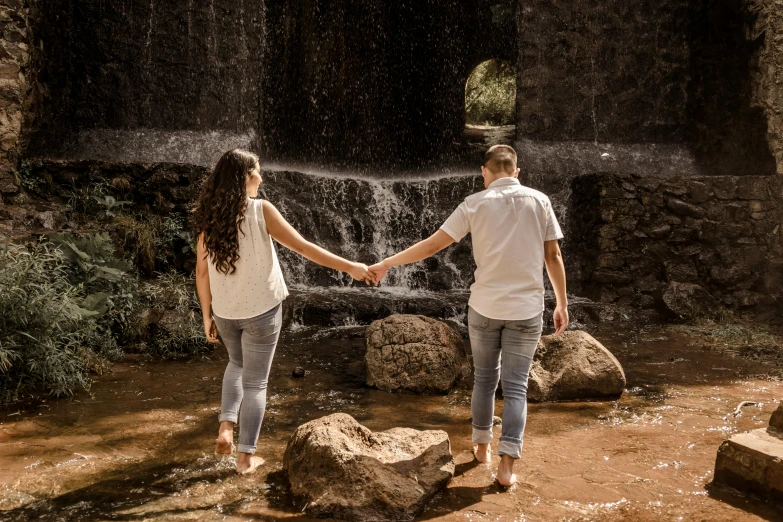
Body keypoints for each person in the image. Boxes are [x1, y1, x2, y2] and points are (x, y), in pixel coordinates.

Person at [369, 144, 568, 487]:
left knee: (485, 380)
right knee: (517, 388)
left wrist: (387, 262)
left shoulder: (474, 204)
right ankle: (507, 468)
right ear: (516, 172)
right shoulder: (540, 201)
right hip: (526, 309)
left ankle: (481, 449)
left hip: (485, 308)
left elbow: (432, 245)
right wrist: (562, 303)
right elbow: (553, 255)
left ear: (484, 172)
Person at [194, 149, 374, 474]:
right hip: (262, 310)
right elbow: (304, 248)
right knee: (256, 384)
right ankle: (246, 458)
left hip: (225, 311)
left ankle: (225, 428)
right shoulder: (261, 210)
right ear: (244, 178)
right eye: (256, 172)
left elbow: (201, 272)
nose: (261, 178)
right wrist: (352, 267)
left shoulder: (210, 217)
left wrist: (206, 314)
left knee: (236, 364)